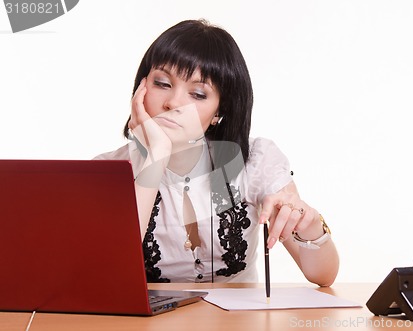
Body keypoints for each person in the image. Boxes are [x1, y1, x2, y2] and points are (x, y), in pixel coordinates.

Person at [94, 19, 339, 286]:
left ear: (218, 111)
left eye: (198, 94)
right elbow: (105, 274)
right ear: (141, 87)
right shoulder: (108, 170)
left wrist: (311, 224)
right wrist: (156, 156)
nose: (173, 103)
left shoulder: (253, 160)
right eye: (162, 83)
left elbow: (323, 276)